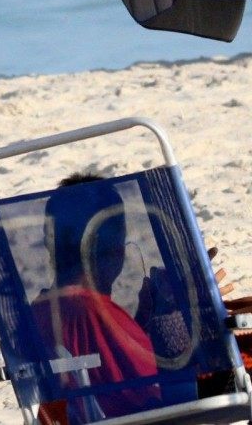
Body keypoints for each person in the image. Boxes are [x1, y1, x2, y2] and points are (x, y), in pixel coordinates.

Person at [33, 174, 159, 423]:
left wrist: (145, 320)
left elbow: (104, 364)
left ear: (52, 246)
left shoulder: (39, 310)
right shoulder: (93, 313)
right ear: (114, 249)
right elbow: (154, 394)